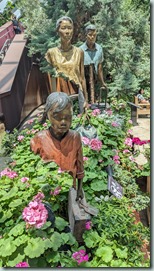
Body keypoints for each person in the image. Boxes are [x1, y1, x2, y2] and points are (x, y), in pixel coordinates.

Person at [30, 92, 84, 200]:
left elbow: (80, 167)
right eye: (57, 117)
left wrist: (79, 189)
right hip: (48, 195)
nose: (63, 122)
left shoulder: (75, 137)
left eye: (68, 117)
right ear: (47, 115)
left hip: (70, 191)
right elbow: (32, 169)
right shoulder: (39, 139)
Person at [45, 16, 88, 113]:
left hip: (78, 95)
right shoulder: (51, 53)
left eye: (69, 28)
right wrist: (54, 102)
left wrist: (86, 99)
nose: (67, 31)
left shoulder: (79, 52)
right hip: (60, 98)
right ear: (58, 31)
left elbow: (82, 77)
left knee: (79, 125)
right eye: (63, 28)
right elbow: (52, 79)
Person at [80, 24, 106, 103]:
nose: (92, 37)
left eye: (94, 35)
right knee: (85, 105)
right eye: (90, 35)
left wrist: (102, 83)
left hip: (95, 82)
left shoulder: (99, 49)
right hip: (84, 82)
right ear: (85, 35)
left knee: (96, 106)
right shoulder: (80, 50)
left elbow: (99, 68)